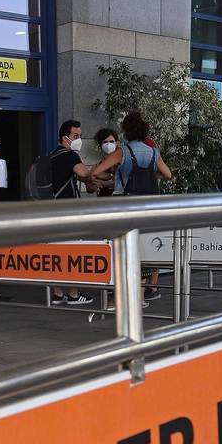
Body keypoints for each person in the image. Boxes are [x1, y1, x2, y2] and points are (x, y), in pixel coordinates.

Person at [94, 111, 172, 303]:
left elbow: (95, 171)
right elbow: (167, 174)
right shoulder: (154, 152)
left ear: (126, 132)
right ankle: (139, 297)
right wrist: (150, 176)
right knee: (141, 251)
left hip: (124, 205)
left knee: (122, 251)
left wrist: (114, 178)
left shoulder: (123, 151)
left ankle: (119, 299)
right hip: (148, 207)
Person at [37, 120, 95, 303]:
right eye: (75, 136)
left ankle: (57, 293)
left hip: (49, 211)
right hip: (68, 211)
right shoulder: (70, 157)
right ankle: (73, 293)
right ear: (65, 138)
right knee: (73, 250)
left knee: (55, 251)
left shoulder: (50, 156)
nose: (79, 140)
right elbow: (84, 173)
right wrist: (95, 177)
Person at [91, 128, 122, 195]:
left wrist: (101, 182)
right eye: (105, 142)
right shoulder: (96, 166)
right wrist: (93, 185)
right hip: (102, 202)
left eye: (111, 142)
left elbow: (119, 183)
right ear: (101, 144)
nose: (108, 145)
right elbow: (90, 184)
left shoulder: (122, 162)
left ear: (116, 143)